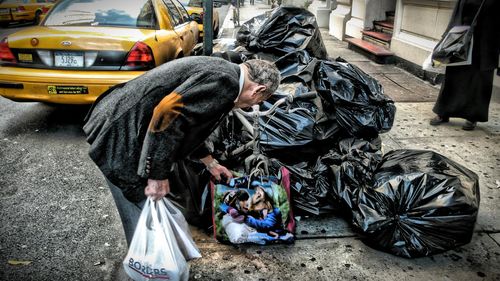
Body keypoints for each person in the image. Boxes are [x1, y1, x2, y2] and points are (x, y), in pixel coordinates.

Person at [83, 56, 281, 245]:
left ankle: (157, 262)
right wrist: (157, 175)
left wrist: (210, 163)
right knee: (141, 205)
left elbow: (189, 123)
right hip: (119, 133)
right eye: (261, 100)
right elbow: (166, 113)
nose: (256, 104)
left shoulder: (225, 73)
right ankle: (150, 267)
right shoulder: (224, 82)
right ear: (258, 90)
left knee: (148, 208)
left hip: (125, 125)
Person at [430, 0, 499, 130]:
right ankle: (443, 112)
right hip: (461, 42)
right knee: (453, 77)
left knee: (479, 81)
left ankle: (473, 116)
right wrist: (446, 38)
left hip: (485, 44)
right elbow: (456, 15)